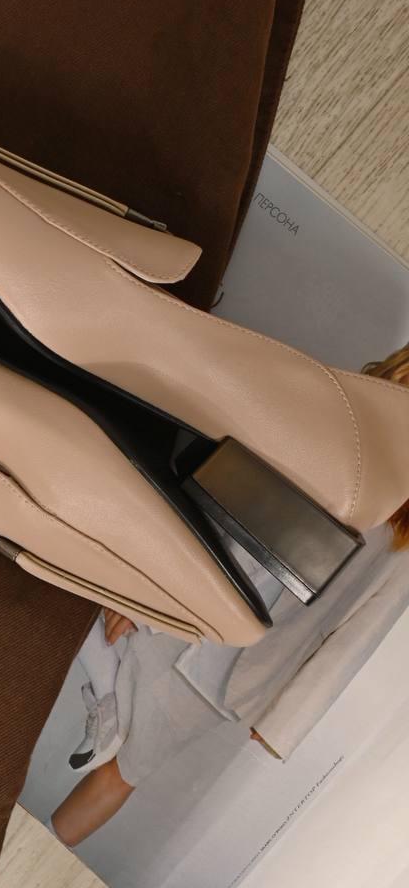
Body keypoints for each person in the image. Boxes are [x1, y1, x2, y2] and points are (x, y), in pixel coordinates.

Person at [49, 343, 409, 848]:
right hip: (197, 597)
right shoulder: (335, 423)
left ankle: (36, 861)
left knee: (125, 769)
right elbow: (230, 495)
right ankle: (105, 690)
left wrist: (286, 721)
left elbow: (359, 633)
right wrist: (153, 585)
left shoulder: (404, 534)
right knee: (64, 604)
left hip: (235, 669)